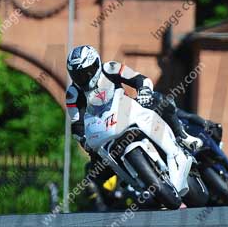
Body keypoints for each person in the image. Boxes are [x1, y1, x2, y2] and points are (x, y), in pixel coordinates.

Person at [65, 45, 199, 195]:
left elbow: (140, 79)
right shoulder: (73, 93)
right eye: (77, 75)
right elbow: (76, 123)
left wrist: (144, 91)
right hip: (102, 131)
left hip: (126, 111)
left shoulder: (111, 68)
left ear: (96, 63)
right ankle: (123, 194)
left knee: (159, 99)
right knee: (93, 173)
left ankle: (182, 136)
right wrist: (84, 141)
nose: (83, 77)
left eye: (86, 72)